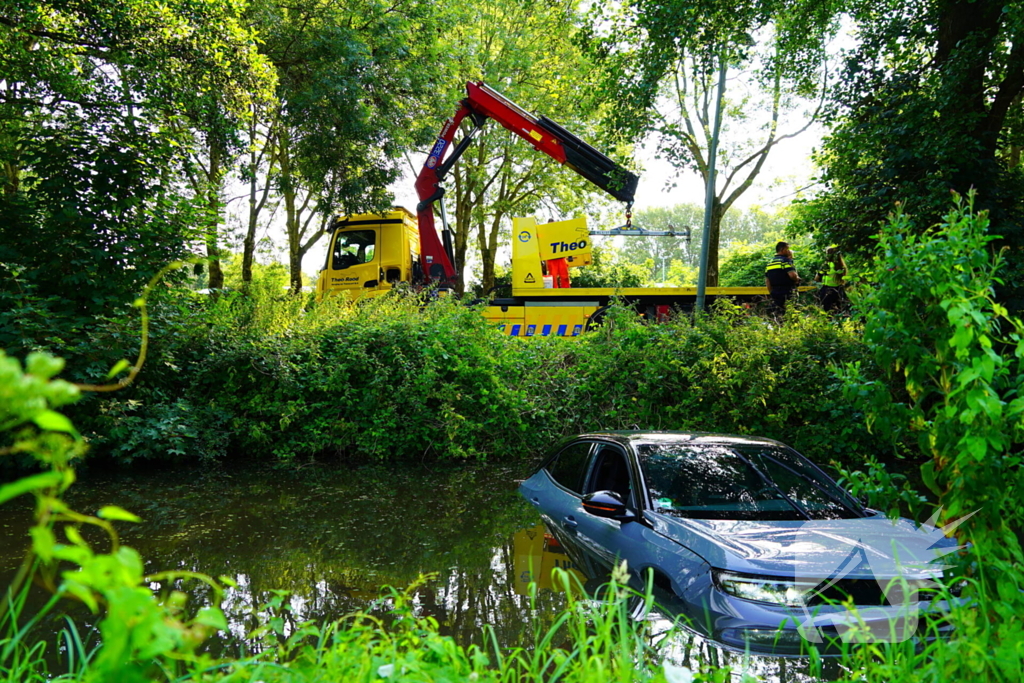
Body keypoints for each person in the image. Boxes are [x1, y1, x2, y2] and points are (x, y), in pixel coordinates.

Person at [764, 241, 799, 314]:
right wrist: (797, 279)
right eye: (788, 249)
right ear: (783, 250)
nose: (789, 251)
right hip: (788, 291)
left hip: (775, 292)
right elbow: (792, 275)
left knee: (779, 313)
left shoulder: (770, 263)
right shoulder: (785, 261)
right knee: (791, 312)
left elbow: (767, 281)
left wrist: (772, 293)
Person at [816, 245, 848, 314]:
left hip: (827, 291)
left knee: (827, 313)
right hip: (839, 290)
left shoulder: (826, 265)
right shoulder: (842, 266)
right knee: (839, 311)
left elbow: (816, 279)